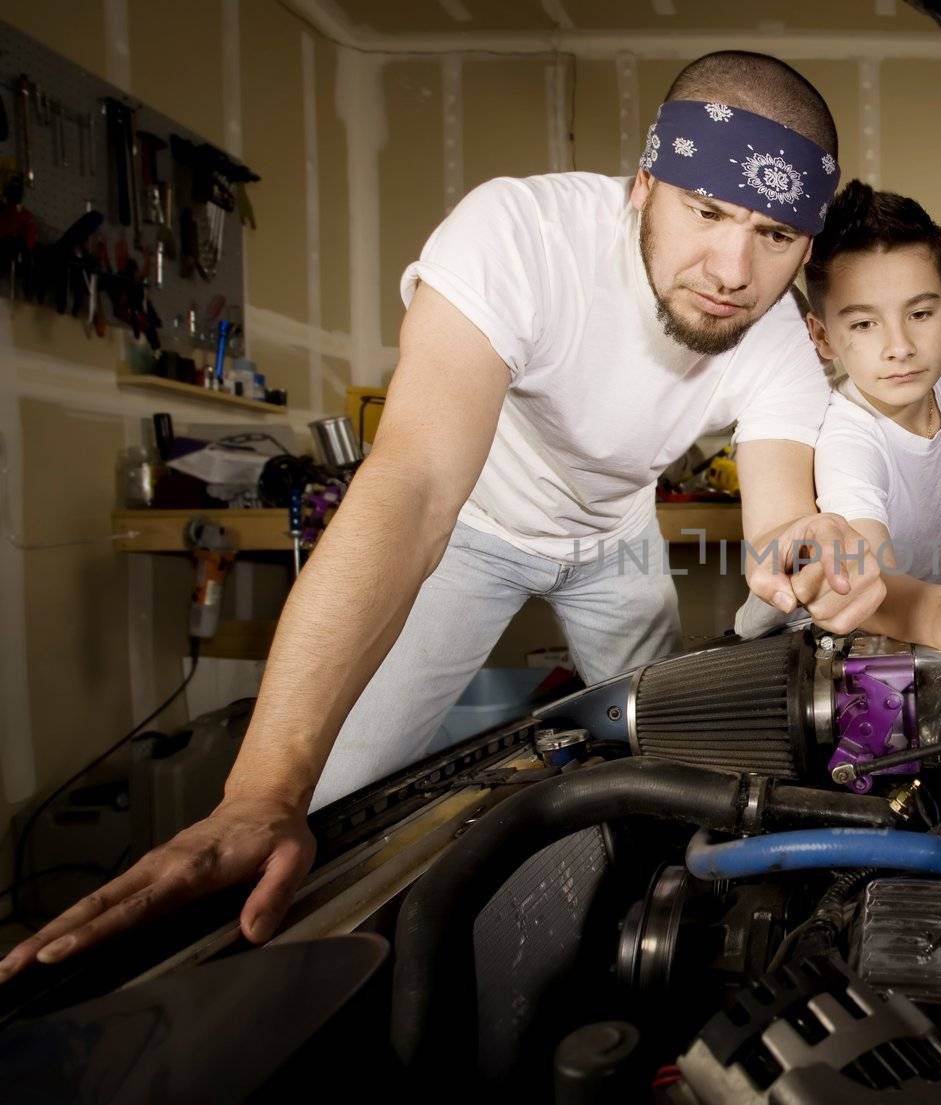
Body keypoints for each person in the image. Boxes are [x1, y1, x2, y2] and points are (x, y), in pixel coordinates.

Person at [0, 51, 886, 982]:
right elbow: (415, 484)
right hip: (470, 524)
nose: (734, 270)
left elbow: (781, 513)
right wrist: (261, 790)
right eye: (706, 213)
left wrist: (808, 546)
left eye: (776, 235)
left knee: (668, 775)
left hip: (614, 539)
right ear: (645, 183)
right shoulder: (517, 235)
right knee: (325, 805)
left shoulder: (779, 334)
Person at [738, 179, 941, 715]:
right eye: (864, 323)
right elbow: (860, 586)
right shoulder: (849, 439)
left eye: (920, 314)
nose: (900, 347)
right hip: (813, 655)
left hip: (911, 635)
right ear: (822, 338)